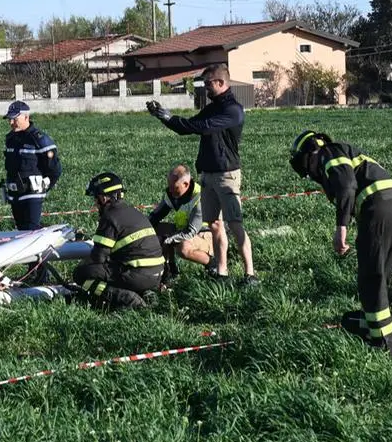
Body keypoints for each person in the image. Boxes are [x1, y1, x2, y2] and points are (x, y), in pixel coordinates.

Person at [289, 130, 392, 358]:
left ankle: (387, 348)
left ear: (309, 154)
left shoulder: (328, 153)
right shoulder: (348, 153)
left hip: (380, 209)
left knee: (370, 280)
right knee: (382, 277)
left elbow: (346, 186)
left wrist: (341, 229)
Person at [146, 63, 256, 285]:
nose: (205, 88)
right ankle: (221, 272)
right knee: (215, 224)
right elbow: (188, 127)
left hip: (226, 175)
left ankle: (250, 274)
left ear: (221, 83)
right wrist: (164, 117)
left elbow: (202, 126)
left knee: (235, 225)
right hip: (207, 174)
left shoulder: (233, 110)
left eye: (208, 84)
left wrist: (171, 118)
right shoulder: (213, 107)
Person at [71, 172, 164, 310]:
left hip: (138, 275)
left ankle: (127, 299)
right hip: (156, 274)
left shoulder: (109, 217)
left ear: (103, 198)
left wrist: (83, 264)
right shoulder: (134, 212)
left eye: (95, 199)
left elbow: (98, 257)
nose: (95, 204)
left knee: (81, 273)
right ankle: (144, 293)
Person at [1, 101, 62, 230]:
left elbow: (55, 170)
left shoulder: (39, 139)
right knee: (21, 230)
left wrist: (44, 187)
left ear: (26, 117)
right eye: (9, 119)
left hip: (32, 194)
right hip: (15, 194)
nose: (11, 123)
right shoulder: (10, 139)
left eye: (14, 119)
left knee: (30, 231)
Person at [148, 164, 213, 282]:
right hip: (184, 230)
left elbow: (191, 232)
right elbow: (155, 216)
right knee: (153, 230)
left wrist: (168, 240)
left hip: (205, 234)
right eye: (170, 187)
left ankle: (213, 264)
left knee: (183, 247)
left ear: (186, 184)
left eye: (175, 188)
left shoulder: (200, 198)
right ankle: (169, 271)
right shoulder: (173, 193)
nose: (171, 191)